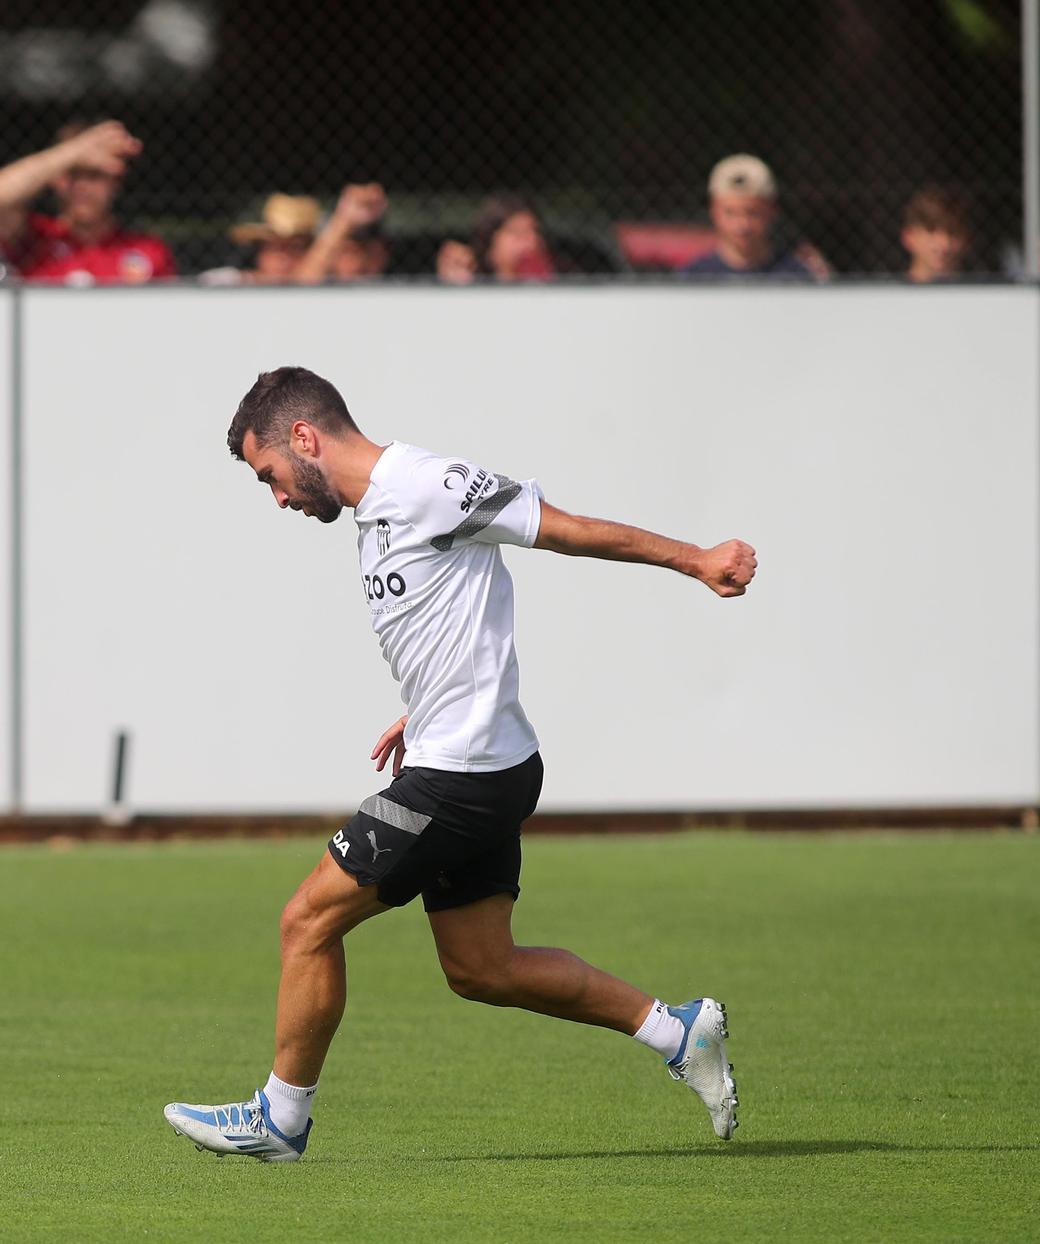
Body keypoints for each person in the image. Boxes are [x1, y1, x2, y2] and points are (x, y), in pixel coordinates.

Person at [164, 366, 756, 1162]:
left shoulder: (427, 483)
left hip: (464, 774)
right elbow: (454, 612)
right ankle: (676, 1031)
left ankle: (281, 1118)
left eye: (269, 476)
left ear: (302, 438)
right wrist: (430, 702)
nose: (277, 497)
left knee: (307, 920)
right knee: (482, 966)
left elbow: (566, 528)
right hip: (477, 760)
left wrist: (696, 559)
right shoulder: (374, 515)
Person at [0, 119, 175, 285]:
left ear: (116, 182)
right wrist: (75, 151)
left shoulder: (147, 249)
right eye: (73, 175)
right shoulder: (33, 240)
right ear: (55, 180)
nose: (83, 187)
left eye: (94, 176)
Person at [680, 154, 828, 279]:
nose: (742, 225)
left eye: (752, 213)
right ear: (713, 211)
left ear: (772, 211)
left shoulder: (796, 276)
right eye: (730, 212)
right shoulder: (695, 277)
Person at [436, 196, 559, 284]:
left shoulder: (557, 281)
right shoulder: (476, 289)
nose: (532, 240)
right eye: (517, 232)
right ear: (489, 243)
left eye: (535, 231)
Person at [298, 183, 390, 283]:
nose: (355, 263)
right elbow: (301, 285)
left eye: (362, 251)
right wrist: (343, 221)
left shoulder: (399, 288)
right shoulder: (325, 289)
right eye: (347, 251)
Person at [899, 186, 972, 283]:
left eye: (953, 232)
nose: (944, 244)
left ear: (967, 239)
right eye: (931, 230)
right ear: (908, 237)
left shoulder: (985, 294)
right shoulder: (884, 295)